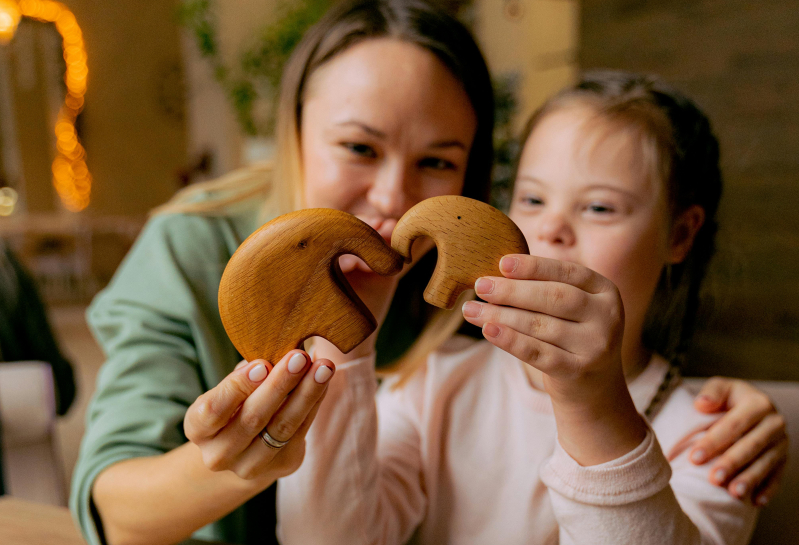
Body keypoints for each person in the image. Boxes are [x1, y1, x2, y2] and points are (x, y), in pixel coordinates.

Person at [69, 1, 786, 544]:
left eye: (437, 161)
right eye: (357, 146)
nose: (392, 198)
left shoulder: (452, 312)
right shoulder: (435, 379)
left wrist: (738, 403)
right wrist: (242, 453)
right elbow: (119, 502)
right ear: (291, 134)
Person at [275, 70, 788, 545]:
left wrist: (594, 407)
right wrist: (341, 341)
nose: (550, 230)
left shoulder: (716, 439)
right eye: (533, 200)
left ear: (679, 234)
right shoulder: (436, 385)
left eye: (599, 208)